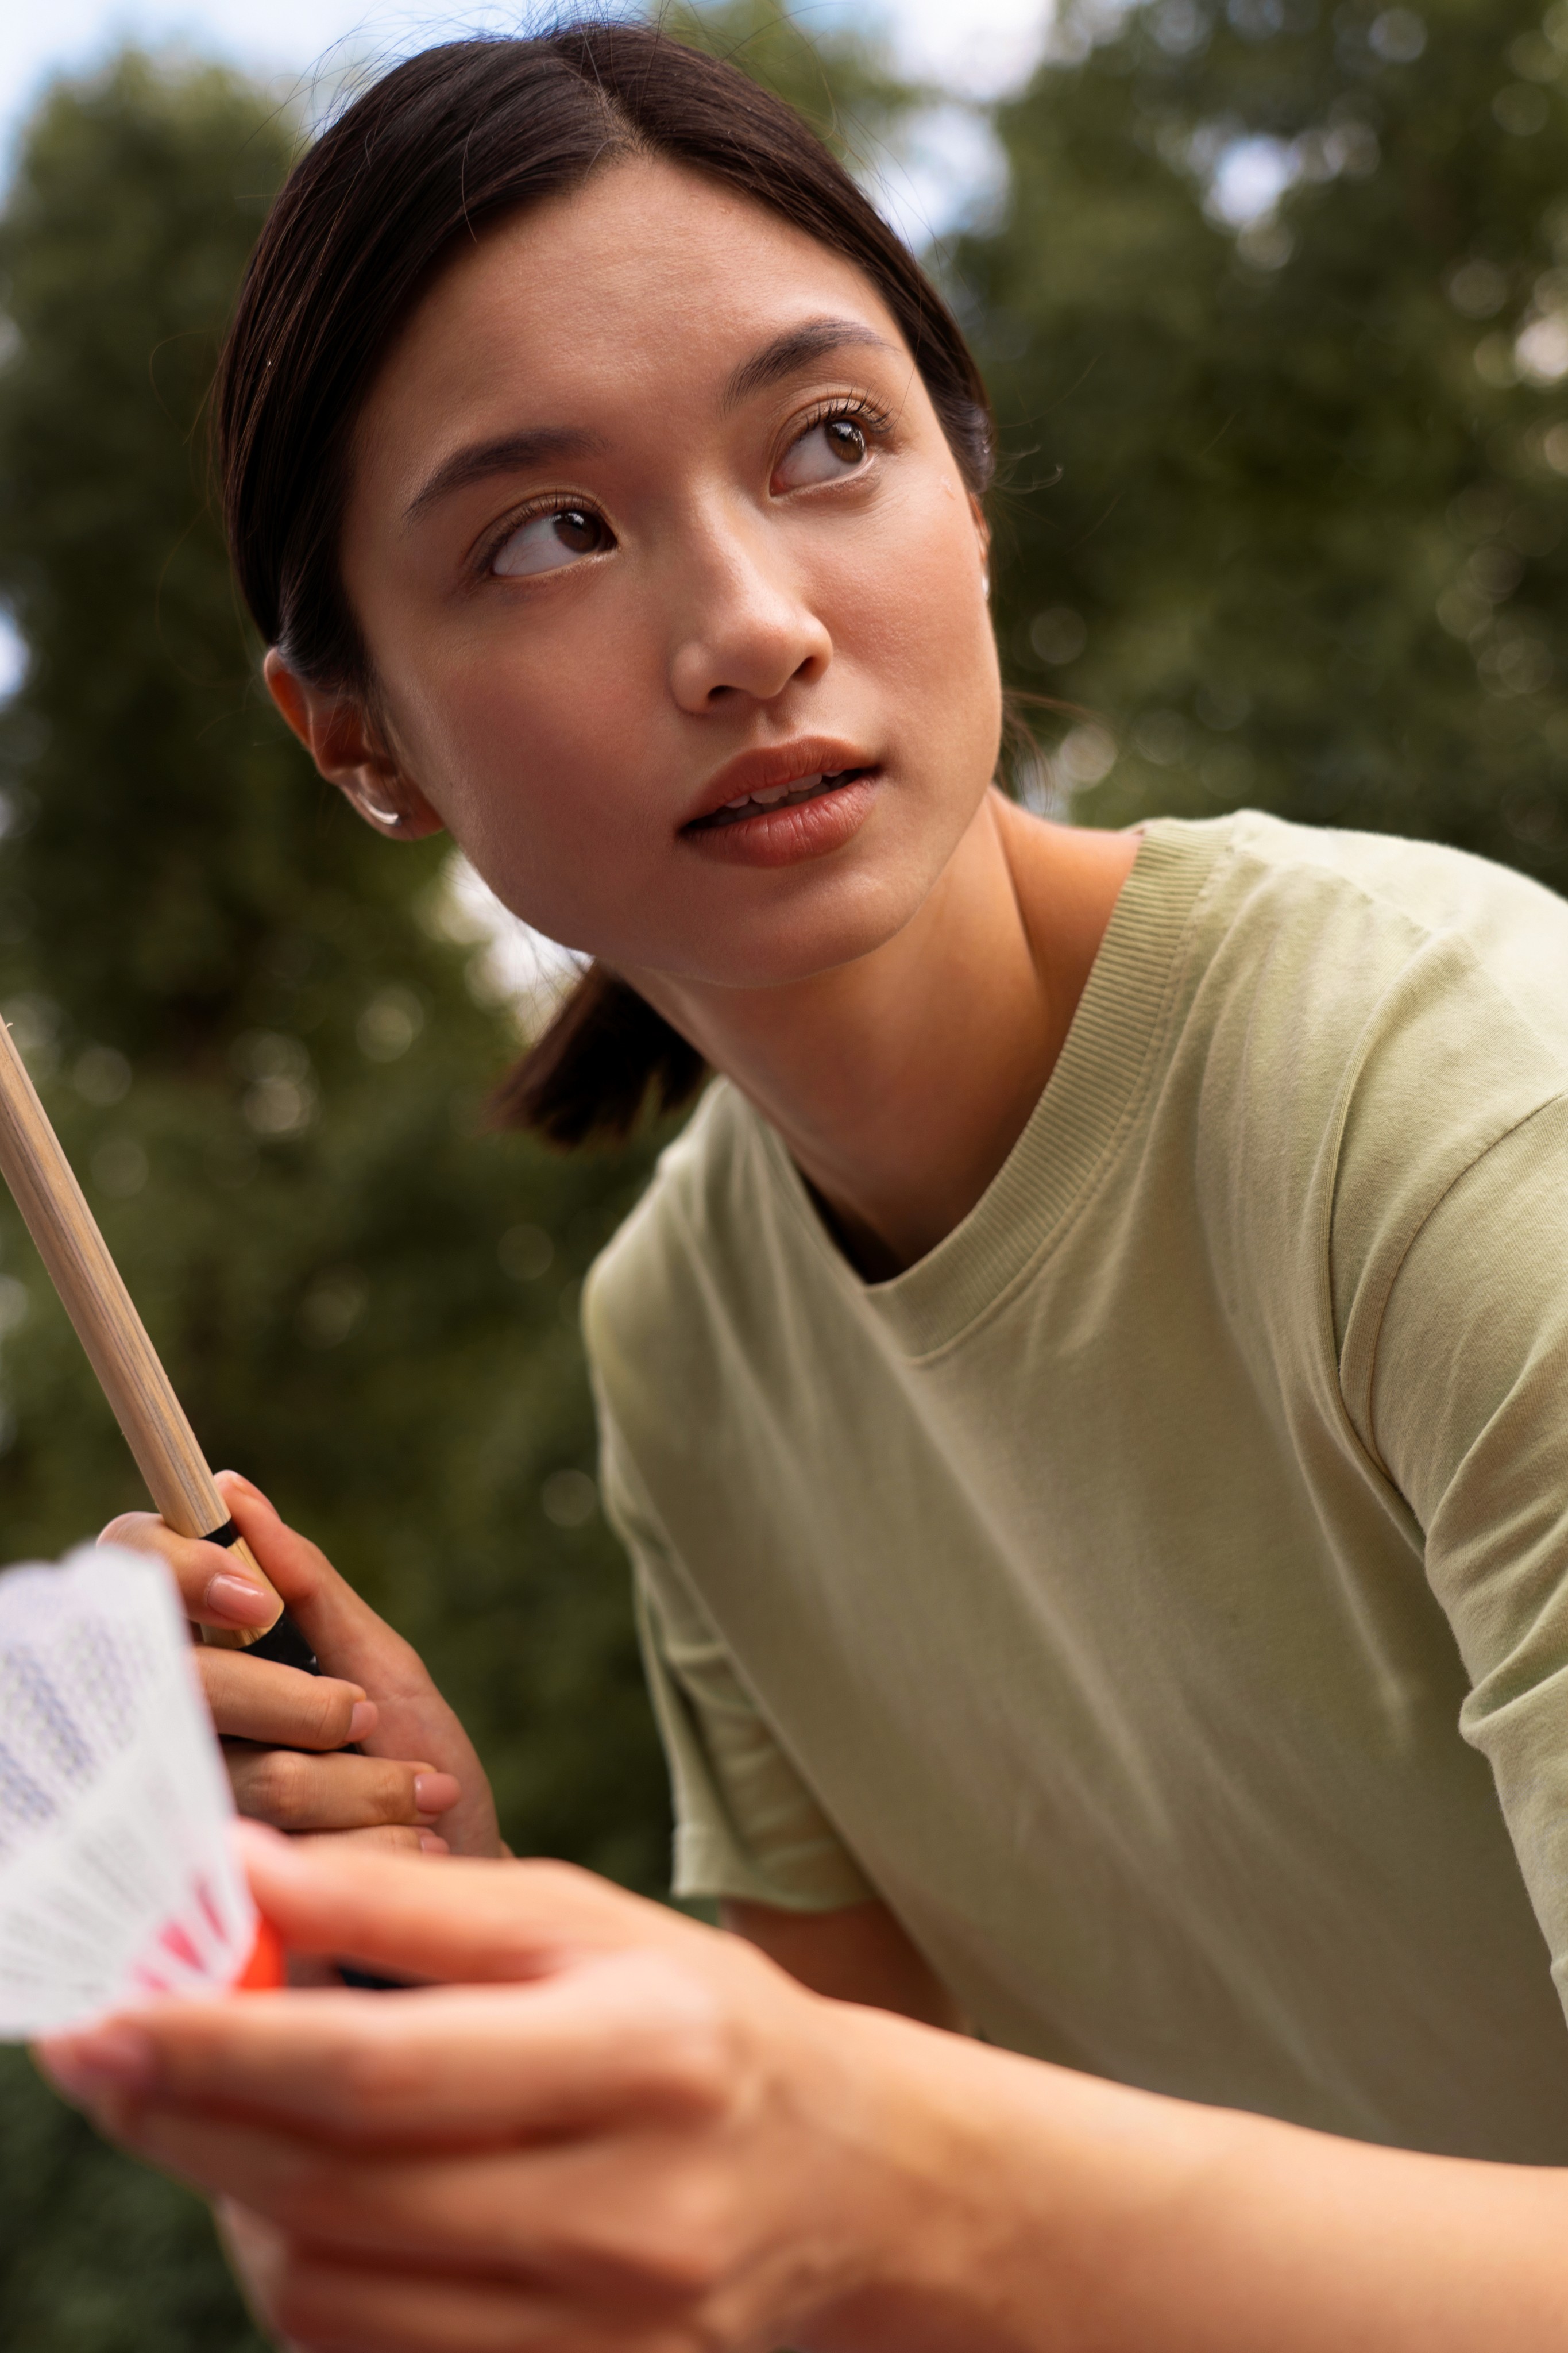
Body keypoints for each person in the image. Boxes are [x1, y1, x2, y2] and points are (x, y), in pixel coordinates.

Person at [37, 17, 1568, 2347]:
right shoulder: (680, 1342)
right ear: (354, 737)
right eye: (550, 529)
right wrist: (468, 1912)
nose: (749, 623)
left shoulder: (1446, 1089)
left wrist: (830, 2158)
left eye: (826, 442)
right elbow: (870, 2242)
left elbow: (887, 2181)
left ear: (966, 492)